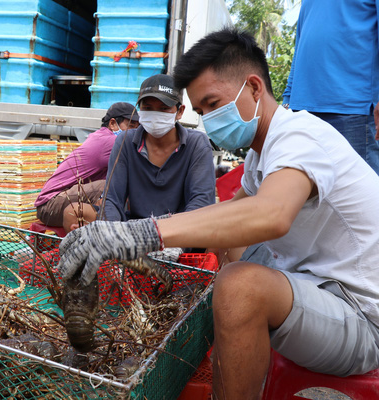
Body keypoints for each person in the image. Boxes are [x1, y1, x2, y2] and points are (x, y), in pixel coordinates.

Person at [58, 28, 379, 400]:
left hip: (361, 316)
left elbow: (271, 215)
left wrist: (140, 234)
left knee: (239, 285)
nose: (209, 120)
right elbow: (228, 216)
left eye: (214, 104)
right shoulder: (262, 153)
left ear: (254, 88)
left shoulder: (300, 138)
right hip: (315, 283)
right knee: (230, 255)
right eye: (201, 111)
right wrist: (139, 244)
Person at [100, 74, 216, 223]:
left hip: (180, 233)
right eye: (148, 108)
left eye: (163, 108)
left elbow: (201, 203)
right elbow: (111, 199)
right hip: (134, 231)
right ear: (139, 109)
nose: (155, 114)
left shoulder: (197, 144)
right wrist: (111, 234)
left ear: (179, 111)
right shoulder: (126, 141)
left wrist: (165, 237)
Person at [282, 0, 379, 175]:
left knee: (358, 198)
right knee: (311, 199)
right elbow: (301, 41)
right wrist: (288, 97)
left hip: (353, 110)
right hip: (301, 111)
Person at [35, 102, 139, 232]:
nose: (135, 132)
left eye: (138, 128)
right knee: (107, 186)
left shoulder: (103, 137)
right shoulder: (110, 141)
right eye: (131, 126)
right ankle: (109, 234)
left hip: (59, 202)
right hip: (50, 206)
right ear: (112, 124)